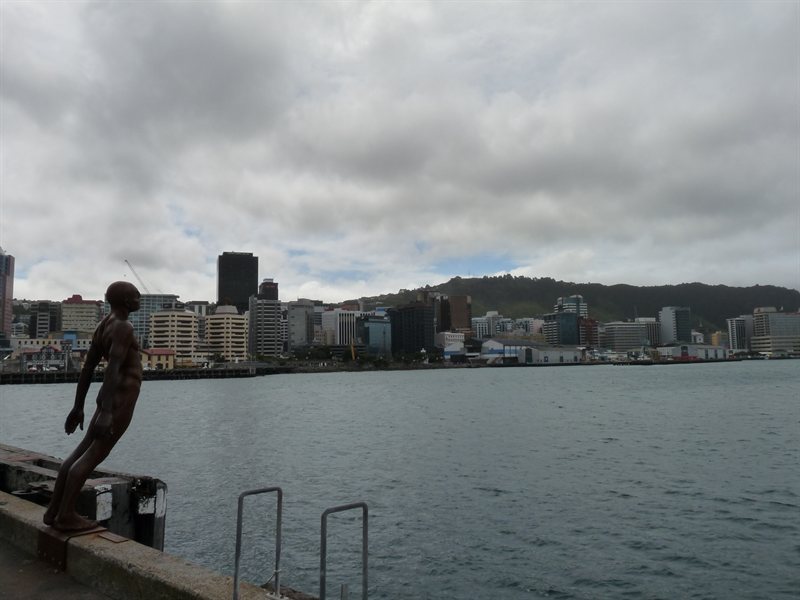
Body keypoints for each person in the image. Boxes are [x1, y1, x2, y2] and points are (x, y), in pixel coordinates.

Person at [43, 281, 142, 531]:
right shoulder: (123, 327)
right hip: (119, 400)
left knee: (79, 453)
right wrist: (108, 412)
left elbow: (88, 369)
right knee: (94, 455)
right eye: (135, 295)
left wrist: (78, 407)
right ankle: (66, 515)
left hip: (107, 399)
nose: (139, 298)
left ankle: (54, 511)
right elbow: (113, 368)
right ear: (124, 301)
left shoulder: (103, 326)